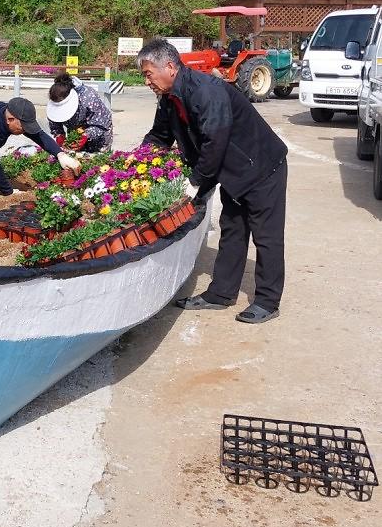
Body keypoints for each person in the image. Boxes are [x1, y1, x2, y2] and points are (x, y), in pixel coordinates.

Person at [138, 38, 287, 324]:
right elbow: (159, 136)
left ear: (169, 67)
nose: (147, 81)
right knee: (232, 230)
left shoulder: (206, 91)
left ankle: (268, 301)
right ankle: (221, 294)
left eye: (148, 74)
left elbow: (215, 140)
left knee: (266, 236)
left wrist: (195, 182)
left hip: (261, 167)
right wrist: (136, 163)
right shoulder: (169, 99)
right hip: (230, 170)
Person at [46, 72, 113, 152]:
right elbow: (54, 119)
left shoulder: (88, 97)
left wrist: (86, 135)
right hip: (75, 129)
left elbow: (101, 125)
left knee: (98, 161)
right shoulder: (55, 98)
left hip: (100, 131)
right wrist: (59, 134)